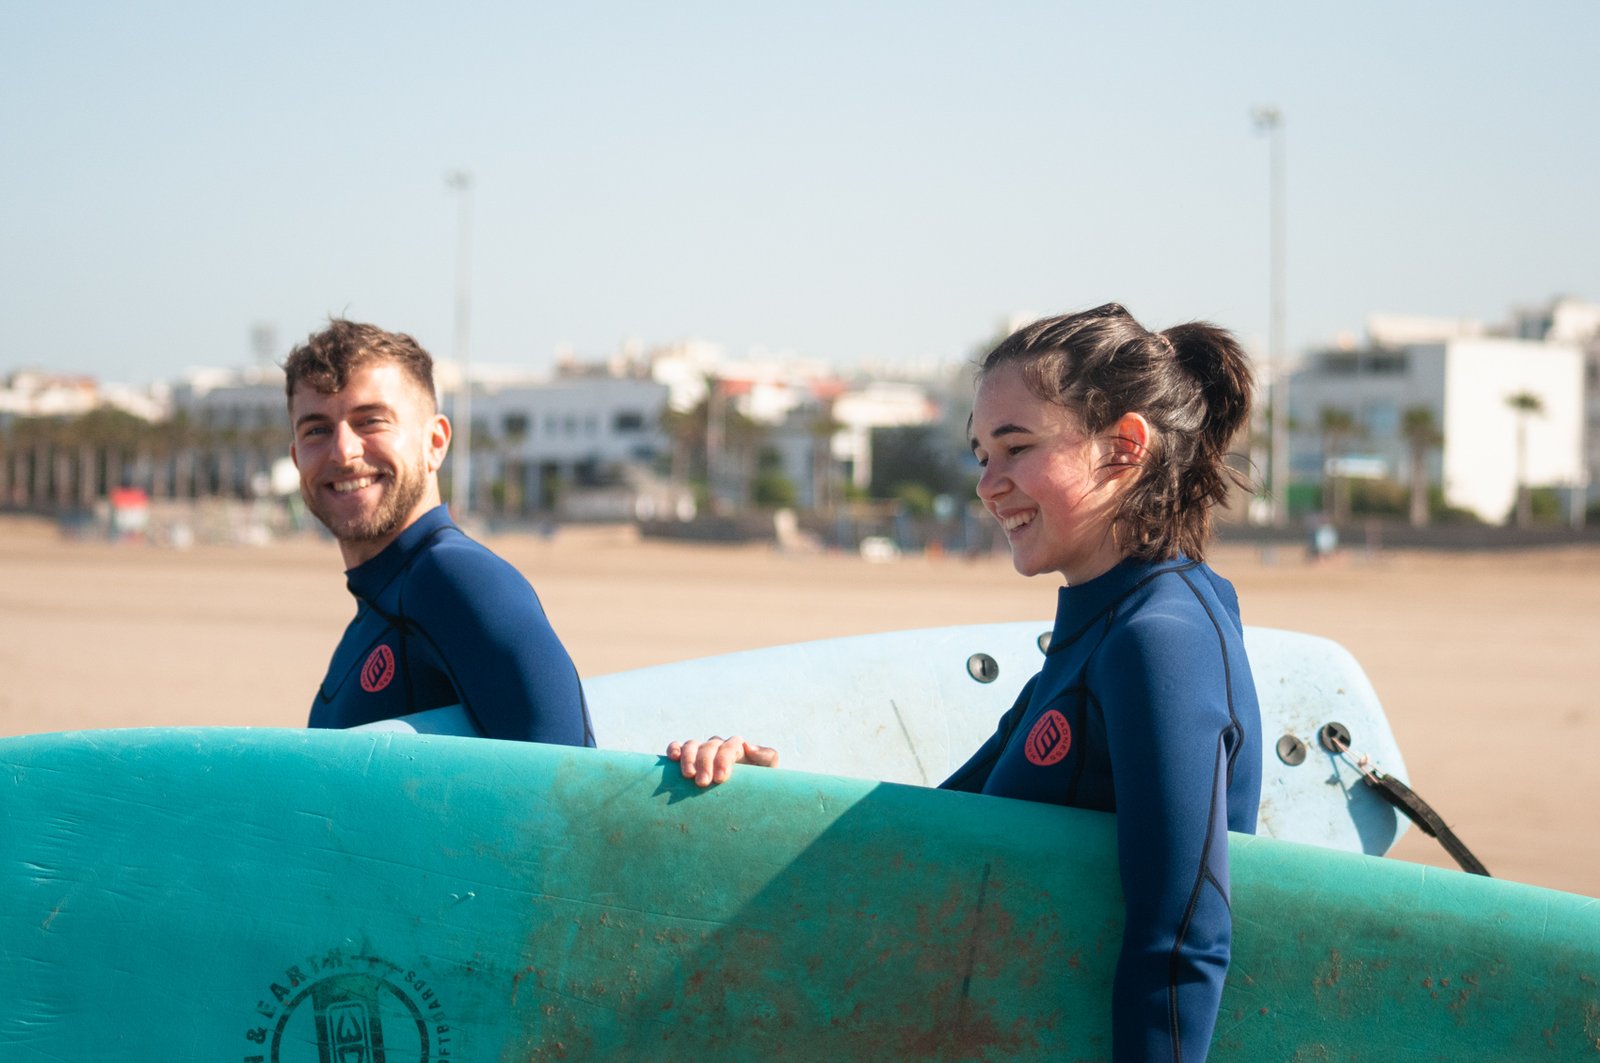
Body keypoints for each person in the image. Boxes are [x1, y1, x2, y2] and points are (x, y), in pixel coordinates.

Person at [669, 303, 1261, 1061]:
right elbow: (943, 823)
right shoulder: (1106, 630)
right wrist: (763, 795)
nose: (990, 484)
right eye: (981, 455)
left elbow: (1182, 937)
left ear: (1122, 447)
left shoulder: (1158, 640)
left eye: (1016, 447)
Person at [285, 319, 594, 746]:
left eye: (371, 421)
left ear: (435, 442)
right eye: (317, 430)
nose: (343, 450)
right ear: (297, 457)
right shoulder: (380, 606)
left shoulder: (460, 581)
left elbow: (569, 779)